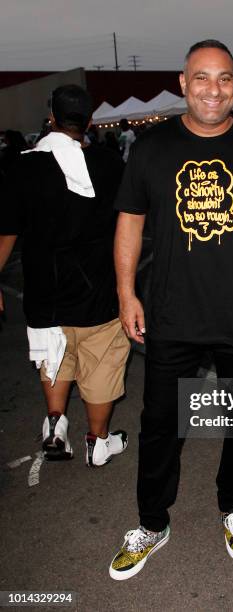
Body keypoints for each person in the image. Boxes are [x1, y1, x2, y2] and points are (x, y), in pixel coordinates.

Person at [109, 39, 233, 580]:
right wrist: (127, 294)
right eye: (202, 77)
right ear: (182, 83)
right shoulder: (151, 148)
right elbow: (129, 222)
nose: (213, 89)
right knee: (160, 426)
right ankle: (152, 522)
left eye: (224, 79)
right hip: (171, 315)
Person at [0, 85, 130, 467]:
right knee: (102, 364)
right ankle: (98, 441)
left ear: (52, 118)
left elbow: (6, 232)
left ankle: (56, 424)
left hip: (44, 289)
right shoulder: (108, 163)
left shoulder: (23, 166)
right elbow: (131, 224)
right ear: (90, 121)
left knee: (53, 356)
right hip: (98, 289)